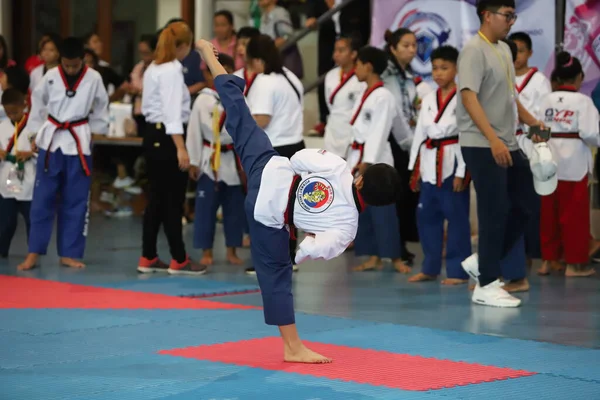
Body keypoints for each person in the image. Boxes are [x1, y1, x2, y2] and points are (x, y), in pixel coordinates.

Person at [197, 38, 401, 363]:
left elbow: (301, 157)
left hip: (266, 170)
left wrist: (291, 178)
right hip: (268, 216)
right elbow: (311, 249)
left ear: (361, 177)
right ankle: (292, 347)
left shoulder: (339, 167)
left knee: (239, 110)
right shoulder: (348, 228)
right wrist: (297, 242)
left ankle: (209, 56)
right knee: (278, 277)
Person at [457, 0, 545, 307]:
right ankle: (487, 284)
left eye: (513, 15)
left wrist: (533, 122)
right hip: (481, 143)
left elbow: (511, 96)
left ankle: (483, 261)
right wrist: (493, 140)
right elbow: (469, 98)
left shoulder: (505, 50)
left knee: (527, 203)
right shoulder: (472, 51)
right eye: (506, 16)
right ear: (487, 15)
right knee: (494, 211)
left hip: (507, 142)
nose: (511, 21)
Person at [17, 37, 109, 271]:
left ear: (83, 60)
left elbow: (101, 106)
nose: (70, 69)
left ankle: (69, 253)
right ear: (60, 60)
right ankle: (33, 252)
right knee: (42, 201)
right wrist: (34, 136)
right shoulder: (49, 77)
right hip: (51, 141)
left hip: (78, 141)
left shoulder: (94, 78)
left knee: (76, 201)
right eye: (66, 65)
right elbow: (36, 106)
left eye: (75, 65)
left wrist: (96, 130)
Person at [137, 21, 207, 276]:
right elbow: (171, 112)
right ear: (185, 46)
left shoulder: (153, 68)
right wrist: (181, 147)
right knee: (172, 201)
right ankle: (179, 258)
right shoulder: (171, 71)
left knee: (156, 199)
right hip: (168, 137)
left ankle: (148, 255)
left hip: (153, 135)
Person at [407, 45, 471, 284]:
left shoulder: (464, 97)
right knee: (427, 217)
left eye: (444, 68)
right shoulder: (428, 97)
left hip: (453, 161)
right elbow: (419, 135)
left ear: (456, 69)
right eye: (434, 68)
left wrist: (462, 172)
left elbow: (467, 134)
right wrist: (414, 168)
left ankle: (458, 271)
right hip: (428, 161)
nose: (438, 73)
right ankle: (430, 267)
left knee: (456, 218)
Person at [243, 34, 305, 275]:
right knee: (288, 208)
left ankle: (268, 260)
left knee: (266, 208)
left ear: (258, 61)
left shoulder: (264, 81)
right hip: (295, 147)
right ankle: (289, 257)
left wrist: (239, 130)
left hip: (274, 150)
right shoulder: (291, 78)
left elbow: (261, 119)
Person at [538, 52, 599, 278]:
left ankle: (547, 261)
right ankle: (573, 265)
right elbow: (591, 134)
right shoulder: (583, 101)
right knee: (573, 216)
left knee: (548, 214)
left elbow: (535, 128)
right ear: (579, 77)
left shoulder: (545, 100)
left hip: (547, 160)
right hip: (574, 163)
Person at [347, 46, 407, 273]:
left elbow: (379, 132)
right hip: (360, 156)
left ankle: (395, 257)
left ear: (368, 66)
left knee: (384, 211)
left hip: (376, 161)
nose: (356, 69)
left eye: (358, 64)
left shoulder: (383, 96)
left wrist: (367, 163)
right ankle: (373, 256)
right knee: (365, 209)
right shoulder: (364, 92)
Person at [186, 53, 245, 266]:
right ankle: (207, 251)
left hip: (232, 159)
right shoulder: (203, 99)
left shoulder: (238, 97)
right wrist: (193, 159)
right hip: (209, 157)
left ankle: (232, 251)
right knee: (206, 209)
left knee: (234, 209)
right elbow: (194, 131)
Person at [382, 28, 435, 267]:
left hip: (409, 140)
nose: (412, 50)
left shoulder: (407, 74)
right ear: (393, 48)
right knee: (397, 193)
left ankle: (402, 243)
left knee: (406, 194)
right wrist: (408, 142)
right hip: (394, 140)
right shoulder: (387, 74)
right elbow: (394, 113)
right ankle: (396, 247)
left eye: (414, 45)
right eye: (405, 45)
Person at [0, 89, 33, 258]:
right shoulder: (1, 127)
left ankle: (33, 253)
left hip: (29, 183)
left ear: (24, 106)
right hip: (7, 182)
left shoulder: (34, 126)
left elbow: (42, 151)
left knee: (32, 222)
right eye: (8, 112)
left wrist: (30, 154)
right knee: (5, 222)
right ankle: (2, 251)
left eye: (15, 112)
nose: (12, 115)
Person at [323, 34, 365, 158]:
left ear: (353, 54)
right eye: (335, 50)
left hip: (351, 129)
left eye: (341, 50)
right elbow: (330, 104)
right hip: (333, 128)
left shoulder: (361, 78)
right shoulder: (330, 75)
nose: (336, 54)